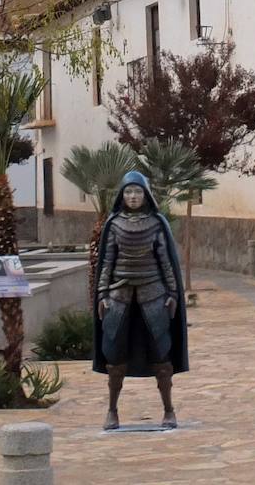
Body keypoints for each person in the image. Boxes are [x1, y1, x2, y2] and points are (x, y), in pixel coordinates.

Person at [92, 170, 188, 430]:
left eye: (137, 191)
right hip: (119, 296)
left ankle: (169, 409)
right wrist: (102, 294)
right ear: (122, 196)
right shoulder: (114, 225)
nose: (133, 196)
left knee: (161, 353)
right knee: (114, 354)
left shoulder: (156, 224)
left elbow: (166, 262)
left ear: (145, 195)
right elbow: (107, 263)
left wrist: (173, 294)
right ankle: (112, 411)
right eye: (128, 192)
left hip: (154, 294)